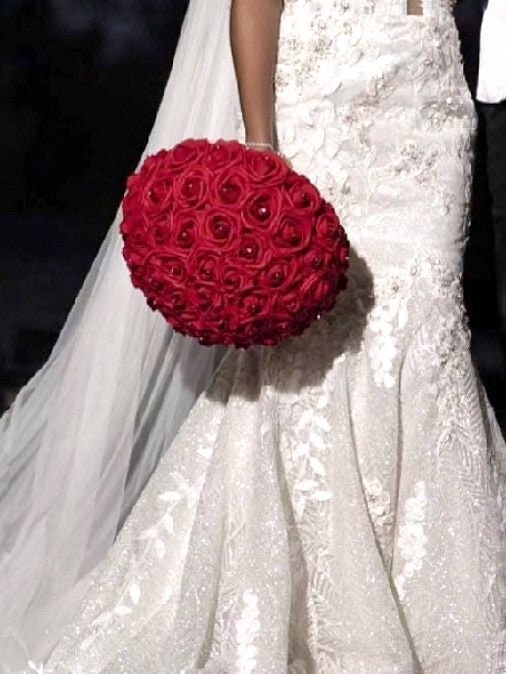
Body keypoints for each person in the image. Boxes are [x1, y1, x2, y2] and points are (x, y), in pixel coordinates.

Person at [2, 0, 506, 671]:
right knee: (316, 345)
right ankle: (297, 597)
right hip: (331, 87)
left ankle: (433, 593)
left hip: (432, 94)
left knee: (432, 326)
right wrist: (263, 146)